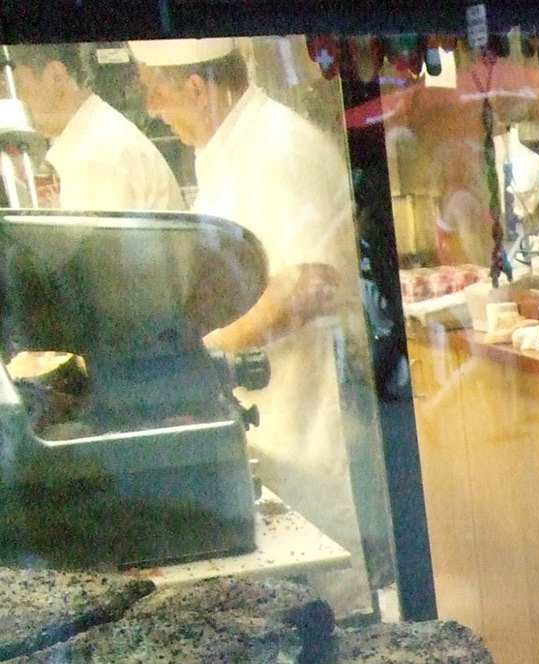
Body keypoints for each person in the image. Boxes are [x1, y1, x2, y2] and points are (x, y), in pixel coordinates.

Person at [129, 37, 369, 616]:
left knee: (332, 613)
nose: (153, 111)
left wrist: (209, 354)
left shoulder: (278, 146)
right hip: (269, 433)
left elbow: (312, 283)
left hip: (309, 431)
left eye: (156, 94)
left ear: (196, 86)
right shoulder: (225, 148)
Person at [3, 43, 182, 211]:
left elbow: (89, 245)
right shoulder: (94, 138)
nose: (14, 103)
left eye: (18, 88)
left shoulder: (96, 154)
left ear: (55, 77)